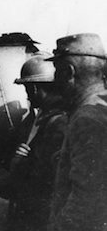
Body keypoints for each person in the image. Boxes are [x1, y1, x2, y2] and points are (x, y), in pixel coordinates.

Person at [47, 33, 107, 230]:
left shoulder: (85, 119)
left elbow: (85, 204)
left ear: (70, 72)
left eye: (57, 71)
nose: (55, 79)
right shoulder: (100, 106)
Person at [8, 52, 67, 230]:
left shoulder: (56, 122)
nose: (27, 96)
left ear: (33, 88)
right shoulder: (50, 115)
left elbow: (43, 178)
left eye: (27, 89)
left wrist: (19, 163)